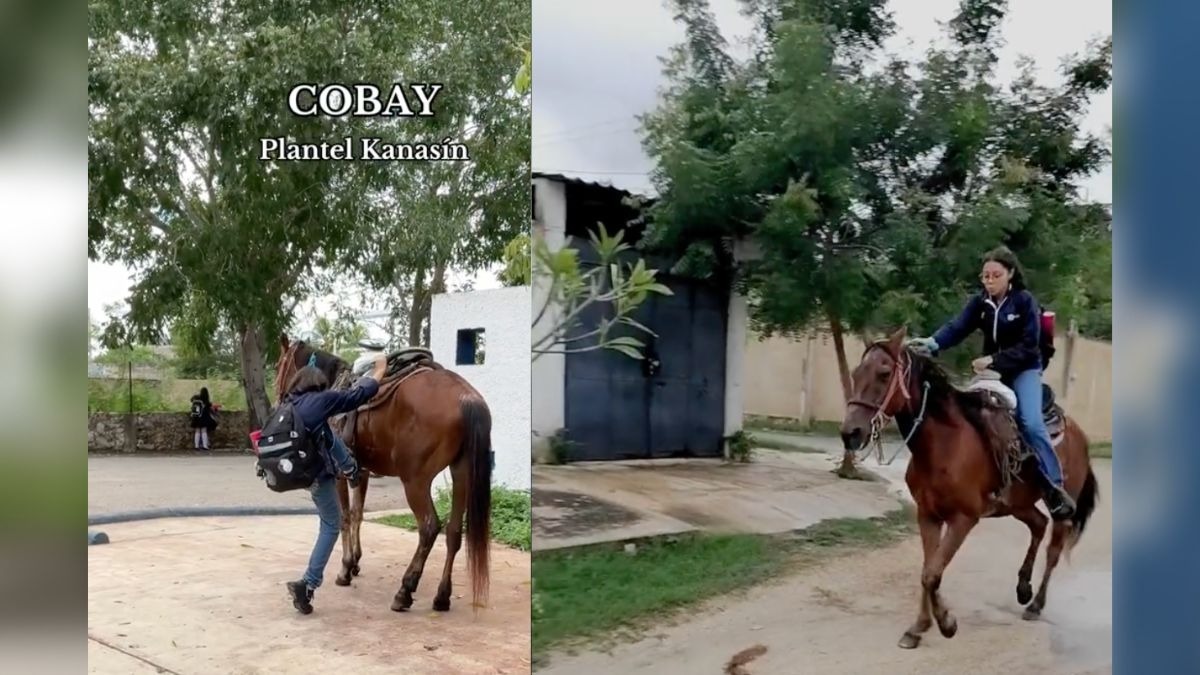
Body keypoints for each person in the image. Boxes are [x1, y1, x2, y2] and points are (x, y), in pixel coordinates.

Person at [907, 246, 1077, 520]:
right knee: (969, 416)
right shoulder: (980, 303)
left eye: (995, 275)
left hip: (1024, 370)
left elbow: (1029, 346)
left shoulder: (1025, 301)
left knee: (1031, 423)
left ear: (1009, 274)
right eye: (985, 276)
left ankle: (1054, 487)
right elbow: (958, 327)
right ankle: (985, 480)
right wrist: (934, 342)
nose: (989, 281)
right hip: (992, 373)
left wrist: (994, 360)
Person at [282, 353, 386, 614]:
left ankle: (308, 583)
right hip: (315, 475)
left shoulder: (289, 403)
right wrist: (379, 370)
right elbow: (356, 397)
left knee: (326, 433)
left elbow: (329, 438)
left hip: (297, 471)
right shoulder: (320, 401)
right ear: (320, 385)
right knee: (332, 524)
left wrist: (350, 468)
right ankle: (307, 584)